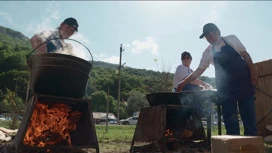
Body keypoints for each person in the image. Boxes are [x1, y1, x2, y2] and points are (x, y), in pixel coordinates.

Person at [176, 23, 258, 136]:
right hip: (226, 90)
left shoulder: (231, 39)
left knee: (249, 117)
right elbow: (199, 70)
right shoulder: (207, 52)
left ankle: (252, 146)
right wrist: (184, 82)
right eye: (206, 36)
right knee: (231, 121)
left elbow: (246, 56)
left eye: (210, 34)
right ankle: (233, 146)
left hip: (244, 83)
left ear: (217, 32)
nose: (209, 38)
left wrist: (253, 74)